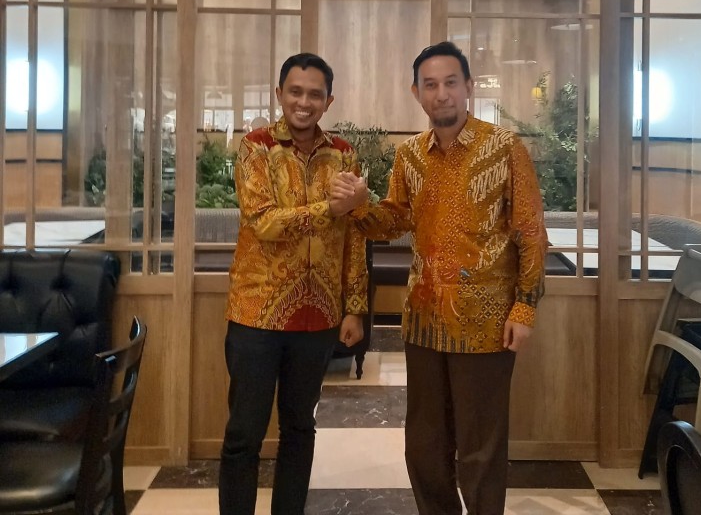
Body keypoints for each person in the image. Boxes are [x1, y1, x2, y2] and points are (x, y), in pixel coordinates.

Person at [332, 41, 548, 515]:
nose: (441, 93)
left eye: (451, 82)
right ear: (417, 93)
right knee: (424, 447)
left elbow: (531, 232)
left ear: (469, 86)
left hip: (486, 325)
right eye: (430, 85)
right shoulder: (410, 155)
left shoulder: (504, 148)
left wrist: (524, 307)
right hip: (425, 322)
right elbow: (393, 220)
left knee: (480, 450)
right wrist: (359, 208)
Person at [219, 52, 368, 515]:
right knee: (244, 433)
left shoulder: (343, 154)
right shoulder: (256, 148)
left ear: (328, 101)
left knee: (300, 429)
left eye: (315, 94)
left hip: (318, 317)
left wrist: (355, 306)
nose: (304, 102)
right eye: (296, 92)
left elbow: (353, 234)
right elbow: (263, 222)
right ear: (280, 94)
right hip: (257, 314)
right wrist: (330, 209)